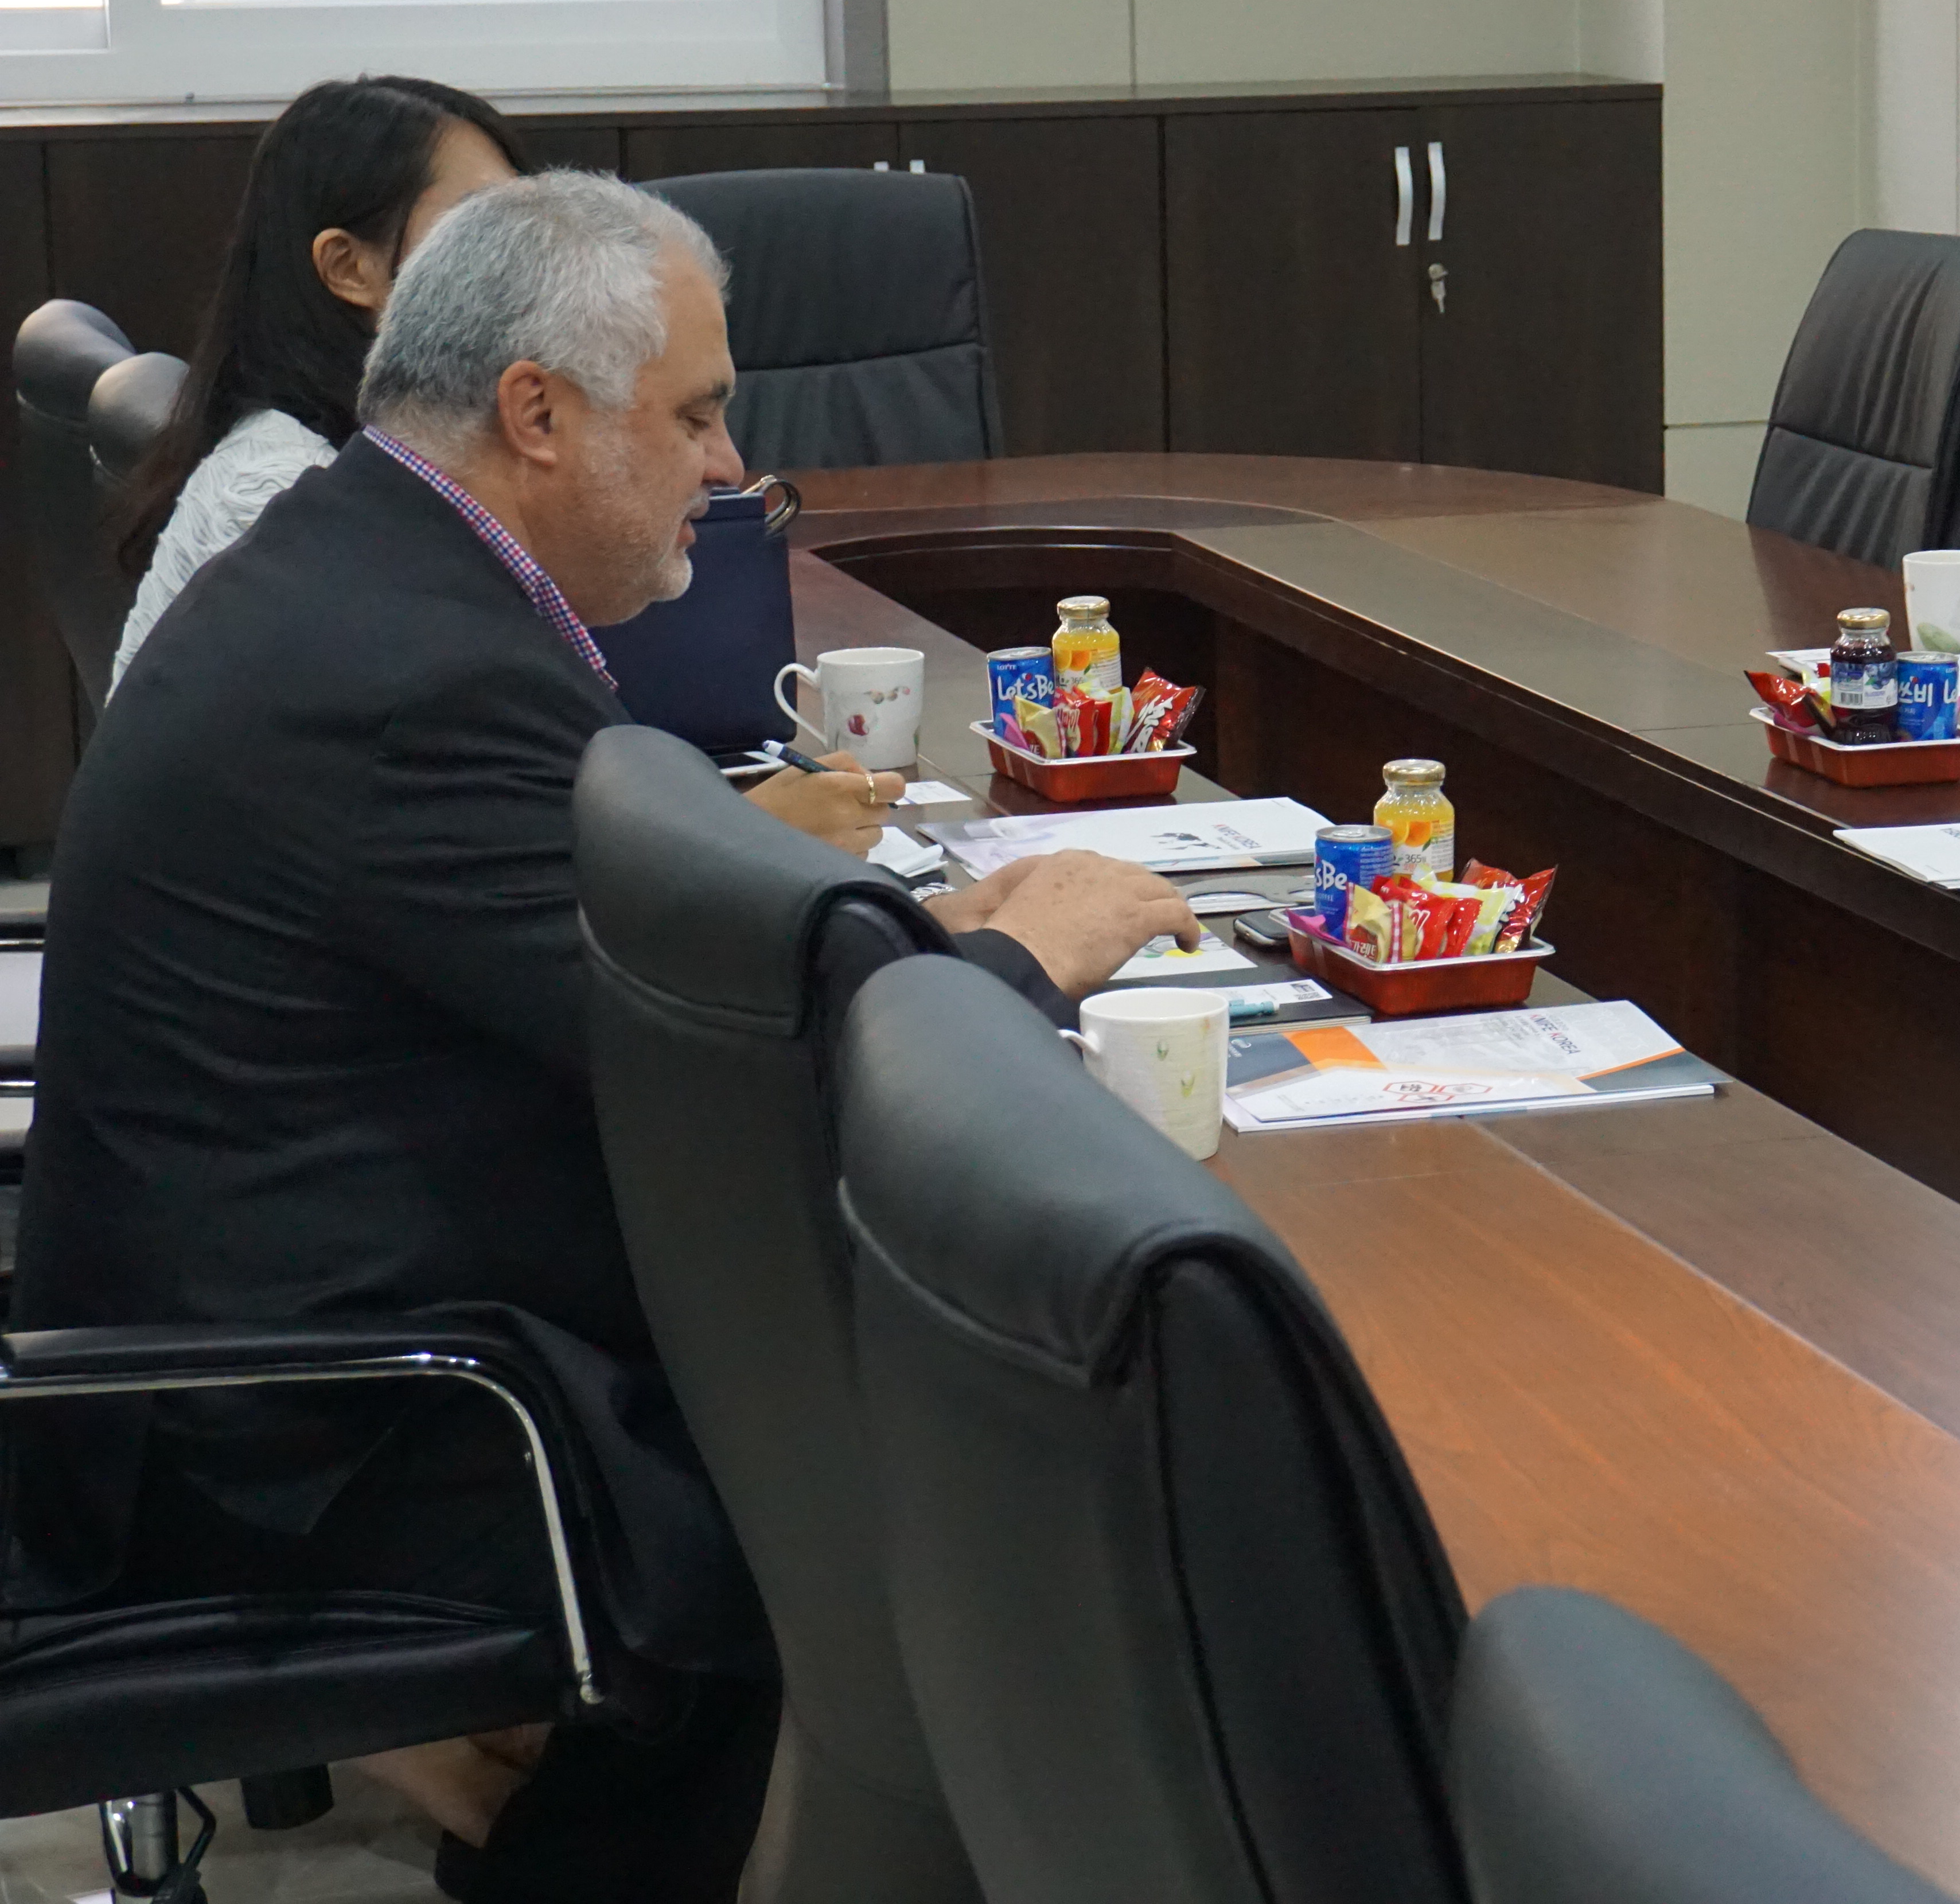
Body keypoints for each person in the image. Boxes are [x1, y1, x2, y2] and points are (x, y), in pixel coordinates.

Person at [9, 172, 1197, 1902]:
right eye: (698, 415)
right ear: (538, 413)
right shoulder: (416, 671)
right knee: (878, 1475)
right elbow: (738, 1073)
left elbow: (645, 975)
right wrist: (1024, 957)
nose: (730, 467)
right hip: (295, 1429)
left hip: (257, 1333)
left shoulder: (368, 562)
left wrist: (912, 946)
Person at [112, 75, 529, 688]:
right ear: (348, 267)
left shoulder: (361, 454)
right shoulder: (284, 491)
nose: (524, 262)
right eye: (479, 227)